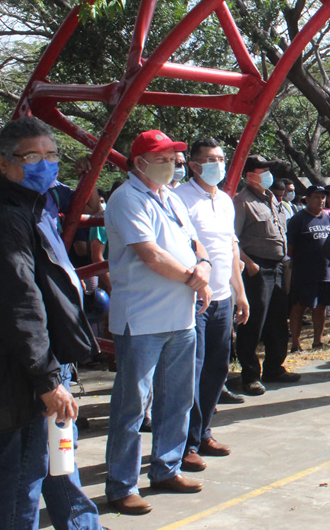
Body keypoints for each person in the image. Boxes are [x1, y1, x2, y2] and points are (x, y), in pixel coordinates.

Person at [0, 117, 103, 528]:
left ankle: (79, 522)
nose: (45, 165)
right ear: (2, 163)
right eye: (31, 156)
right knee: (22, 468)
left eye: (51, 156)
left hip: (46, 357)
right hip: (23, 367)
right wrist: (47, 378)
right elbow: (19, 304)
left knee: (55, 451)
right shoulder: (2, 218)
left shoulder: (32, 208)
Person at [105, 129, 214, 514]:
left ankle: (166, 467)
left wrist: (202, 265)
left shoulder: (170, 198)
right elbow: (149, 254)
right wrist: (193, 276)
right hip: (143, 319)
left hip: (180, 316)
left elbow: (193, 242)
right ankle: (121, 484)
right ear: (140, 163)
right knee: (133, 406)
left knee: (177, 399)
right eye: (163, 159)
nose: (171, 165)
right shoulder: (126, 199)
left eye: (173, 158)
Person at [174, 138, 250, 473]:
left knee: (217, 369)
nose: (216, 164)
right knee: (193, 371)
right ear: (193, 165)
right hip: (194, 299)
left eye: (220, 158)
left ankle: (203, 432)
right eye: (209, 159)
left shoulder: (225, 201)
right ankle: (185, 444)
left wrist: (240, 293)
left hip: (222, 298)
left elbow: (230, 251)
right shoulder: (180, 199)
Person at [234, 155, 299, 395]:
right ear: (251, 175)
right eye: (263, 171)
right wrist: (249, 264)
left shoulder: (271, 198)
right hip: (257, 269)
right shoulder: (241, 202)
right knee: (253, 323)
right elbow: (233, 239)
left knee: (276, 322)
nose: (268, 175)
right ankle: (250, 375)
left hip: (278, 266)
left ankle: (275, 367)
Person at [286, 184, 330, 351]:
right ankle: (295, 343)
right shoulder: (298, 219)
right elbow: (290, 247)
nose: (321, 200)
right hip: (304, 272)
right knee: (299, 306)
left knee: (321, 306)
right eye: (316, 197)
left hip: (325, 271)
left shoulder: (327, 218)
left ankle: (317, 341)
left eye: (323, 197)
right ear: (307, 198)